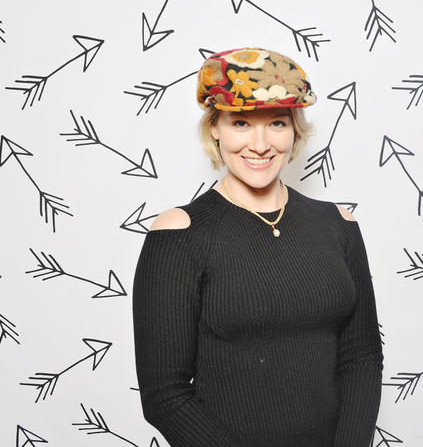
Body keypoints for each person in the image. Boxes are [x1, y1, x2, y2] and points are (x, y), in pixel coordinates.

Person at [132, 47, 383, 447]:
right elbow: (165, 394)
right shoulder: (180, 232)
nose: (261, 144)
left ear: (295, 129)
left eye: (278, 123)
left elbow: (362, 357)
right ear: (215, 127)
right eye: (242, 123)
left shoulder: (339, 225)